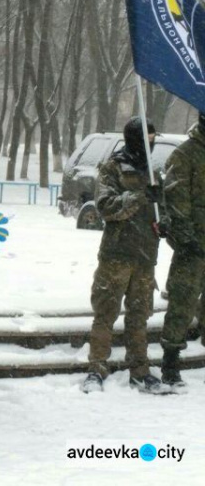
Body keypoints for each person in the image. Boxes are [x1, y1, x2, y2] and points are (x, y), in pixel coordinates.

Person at [81, 117, 167, 394]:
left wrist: (163, 220)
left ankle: (140, 369)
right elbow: (106, 207)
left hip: (145, 256)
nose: (149, 144)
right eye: (145, 138)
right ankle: (96, 368)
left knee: (140, 315)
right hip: (116, 255)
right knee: (106, 312)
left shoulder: (152, 172)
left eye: (153, 139)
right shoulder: (113, 167)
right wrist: (140, 196)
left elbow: (161, 213)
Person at [160, 114, 205, 388]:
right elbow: (175, 199)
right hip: (192, 246)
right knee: (182, 302)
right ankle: (170, 362)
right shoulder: (185, 154)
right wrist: (187, 239)